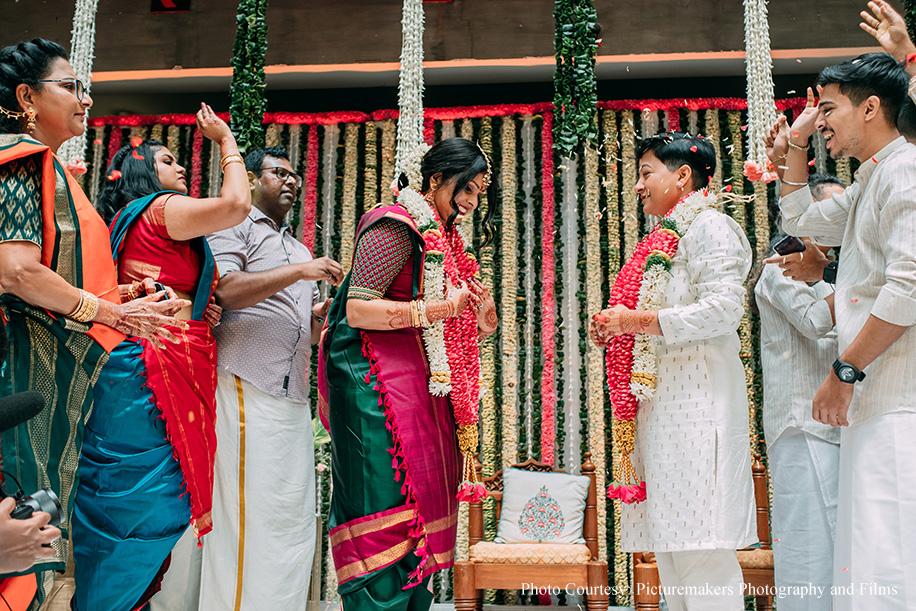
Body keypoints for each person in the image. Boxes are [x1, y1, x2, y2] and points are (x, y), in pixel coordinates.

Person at [0, 38, 185, 600]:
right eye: (71, 86)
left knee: (41, 528)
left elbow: (51, 270)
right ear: (26, 96)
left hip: (51, 369)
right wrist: (111, 312)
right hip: (19, 367)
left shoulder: (50, 169)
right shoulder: (19, 160)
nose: (85, 100)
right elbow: (17, 273)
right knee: (23, 523)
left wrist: (121, 295)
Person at [70, 107, 251, 611]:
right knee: (141, 502)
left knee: (142, 500)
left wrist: (200, 305)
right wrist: (226, 140)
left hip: (156, 363)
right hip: (152, 370)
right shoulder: (159, 208)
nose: (178, 169)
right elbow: (237, 204)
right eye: (169, 160)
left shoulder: (140, 220)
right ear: (146, 174)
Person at [319, 137, 497, 610]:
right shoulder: (395, 226)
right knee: (382, 499)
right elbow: (357, 310)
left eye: (478, 193)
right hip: (371, 388)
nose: (470, 202)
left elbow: (456, 328)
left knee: (416, 510)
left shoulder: (449, 246)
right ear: (436, 179)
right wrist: (438, 309)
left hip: (417, 392)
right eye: (466, 188)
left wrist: (479, 315)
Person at [767, 46, 916, 609]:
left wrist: (844, 369)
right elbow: (802, 218)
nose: (821, 118)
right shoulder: (869, 181)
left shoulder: (905, 171)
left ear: (871, 107)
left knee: (893, 563)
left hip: (896, 400)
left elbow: (910, 286)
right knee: (869, 563)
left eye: (828, 108)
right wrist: (798, 145)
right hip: (874, 403)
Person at [167, 145, 340, 611]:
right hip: (244, 383)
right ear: (252, 178)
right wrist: (303, 272)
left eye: (294, 175)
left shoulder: (297, 246)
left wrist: (322, 312)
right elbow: (226, 289)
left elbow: (293, 320)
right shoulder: (232, 226)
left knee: (288, 515)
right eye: (277, 173)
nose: (290, 181)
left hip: (292, 396)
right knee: (246, 515)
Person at [589, 133, 756, 611]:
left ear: (683, 176)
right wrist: (618, 329)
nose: (638, 186)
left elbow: (724, 310)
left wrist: (634, 321)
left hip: (700, 410)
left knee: (701, 547)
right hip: (663, 413)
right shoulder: (663, 240)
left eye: (646, 173)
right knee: (671, 548)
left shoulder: (711, 228)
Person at [754, 175, 844, 611]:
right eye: (831, 215)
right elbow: (814, 322)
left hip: (834, 424)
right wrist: (864, 281)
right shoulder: (780, 266)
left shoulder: (831, 275)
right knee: (808, 542)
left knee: (838, 541)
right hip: (801, 423)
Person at [761, 175, 845, 283]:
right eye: (836, 209)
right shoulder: (786, 264)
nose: (846, 216)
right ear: (810, 208)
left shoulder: (829, 263)